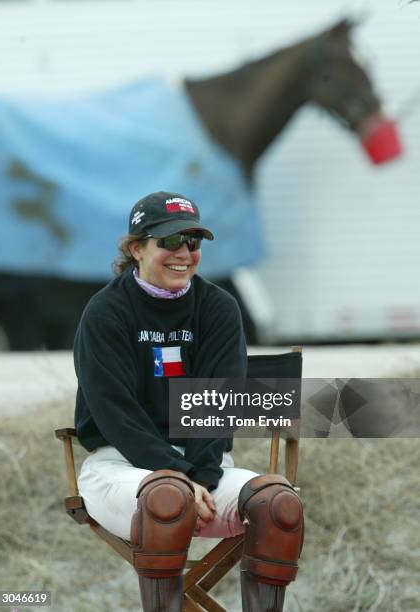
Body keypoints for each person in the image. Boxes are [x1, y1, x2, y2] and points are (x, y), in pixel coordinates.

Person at [74, 191, 303, 611]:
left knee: (278, 505)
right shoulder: (105, 312)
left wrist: (198, 476)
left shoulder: (217, 308)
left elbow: (218, 409)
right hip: (120, 467)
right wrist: (179, 476)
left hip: (204, 470)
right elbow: (115, 414)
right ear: (136, 247)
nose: (184, 253)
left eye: (193, 242)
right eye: (170, 241)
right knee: (168, 499)